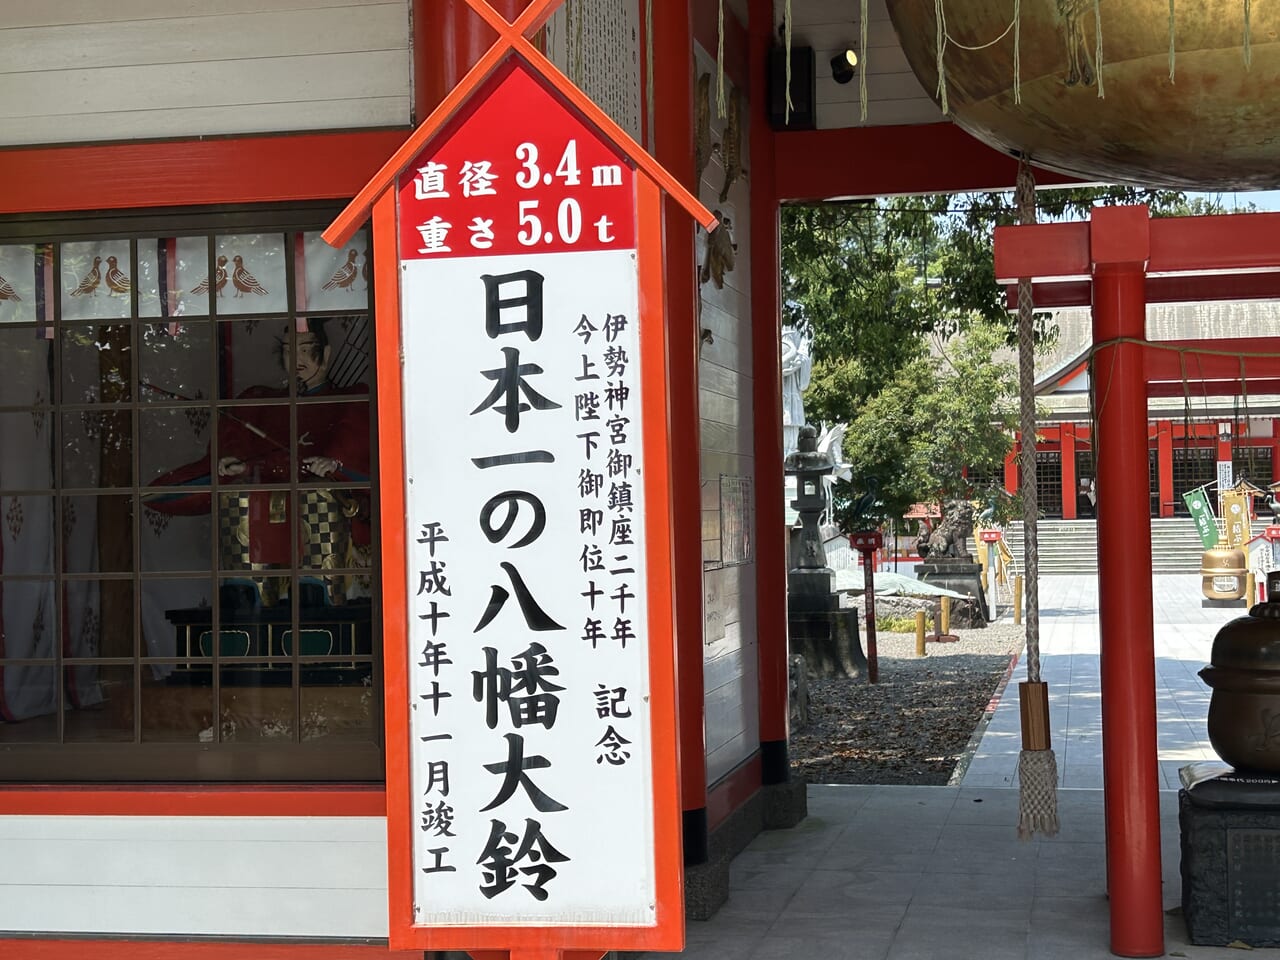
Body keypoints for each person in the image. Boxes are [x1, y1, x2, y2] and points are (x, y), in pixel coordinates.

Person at [147, 318, 370, 601]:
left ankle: (317, 595)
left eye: (306, 349)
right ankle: (246, 595)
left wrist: (334, 465)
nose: (296, 358)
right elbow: (236, 456)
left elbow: (359, 459)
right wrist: (235, 465)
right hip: (268, 507)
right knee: (239, 497)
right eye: (289, 350)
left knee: (315, 495)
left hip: (324, 511)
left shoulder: (348, 402)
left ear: (326, 354)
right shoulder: (262, 403)